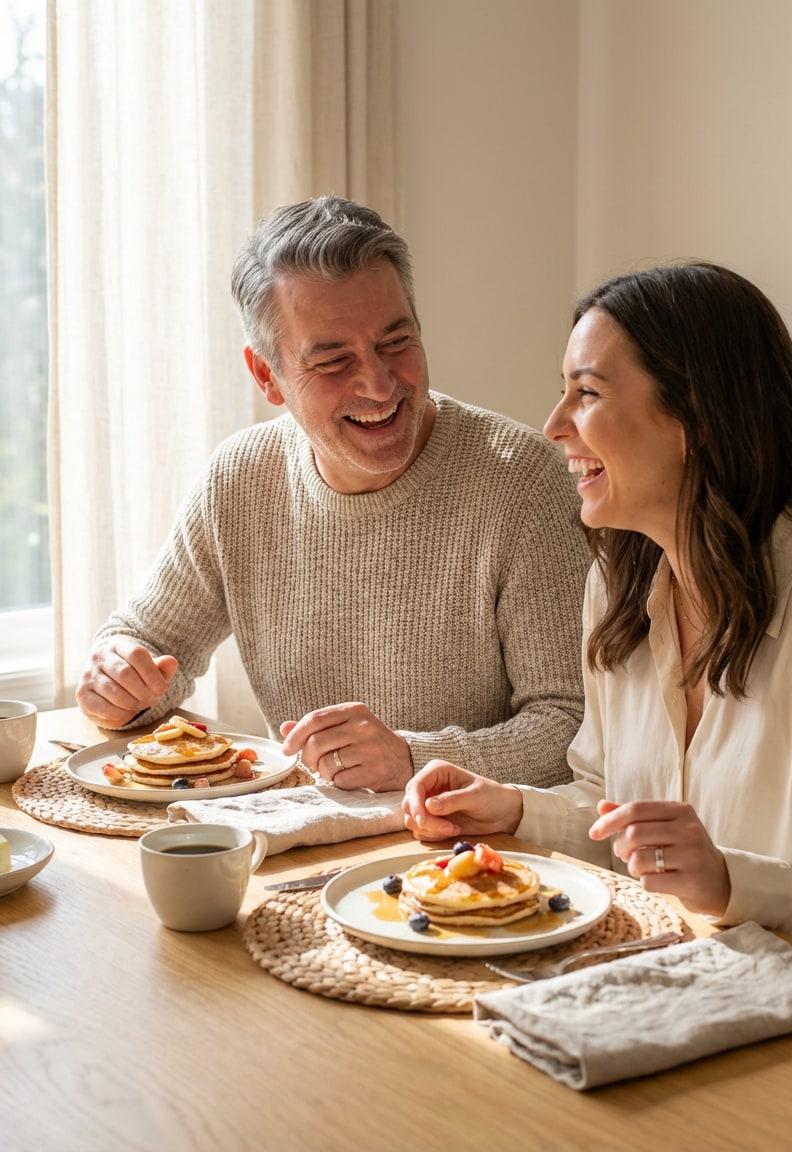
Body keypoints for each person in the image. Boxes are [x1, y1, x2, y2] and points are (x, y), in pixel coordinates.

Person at [403, 261, 792, 977]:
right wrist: (512, 812)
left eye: (586, 393)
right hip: (663, 990)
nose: (555, 426)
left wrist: (733, 882)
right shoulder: (614, 591)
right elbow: (609, 809)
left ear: (694, 419)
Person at [76, 196, 590, 793]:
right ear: (267, 376)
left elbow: (572, 729)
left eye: (396, 341)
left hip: (481, 864)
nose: (378, 384)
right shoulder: (240, 480)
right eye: (334, 359)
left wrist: (411, 759)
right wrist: (117, 680)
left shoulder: (520, 480)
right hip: (301, 848)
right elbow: (147, 643)